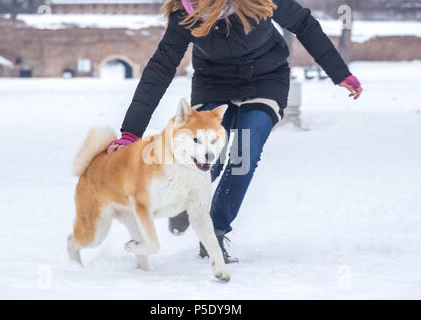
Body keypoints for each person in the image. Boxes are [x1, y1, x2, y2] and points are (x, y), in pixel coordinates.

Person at [107, 0, 363, 263]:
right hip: (213, 82)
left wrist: (338, 72)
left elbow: (304, 23)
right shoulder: (184, 15)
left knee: (244, 152)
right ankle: (187, 197)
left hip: (265, 78)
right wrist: (131, 132)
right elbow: (161, 67)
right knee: (208, 156)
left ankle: (214, 233)